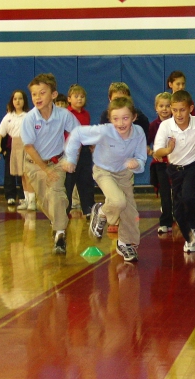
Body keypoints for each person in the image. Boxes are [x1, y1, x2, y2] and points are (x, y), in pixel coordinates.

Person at [65, 96, 147, 262]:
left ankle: (124, 243)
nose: (121, 123)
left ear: (134, 117)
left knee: (130, 212)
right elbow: (77, 134)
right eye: (116, 119)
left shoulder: (138, 133)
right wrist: (71, 158)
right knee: (118, 202)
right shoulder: (104, 131)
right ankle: (100, 211)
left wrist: (136, 163)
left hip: (124, 173)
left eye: (125, 118)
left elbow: (141, 159)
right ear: (110, 119)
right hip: (104, 171)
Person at [21, 73, 80, 255]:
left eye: (42, 93)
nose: (37, 98)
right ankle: (59, 222)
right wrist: (44, 169)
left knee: (56, 194)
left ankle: (60, 234)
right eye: (34, 94)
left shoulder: (63, 115)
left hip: (56, 162)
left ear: (54, 95)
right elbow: (29, 147)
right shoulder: (30, 119)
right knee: (43, 201)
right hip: (35, 165)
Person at [154, 90, 195, 253]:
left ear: (191, 108)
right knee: (178, 210)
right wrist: (167, 150)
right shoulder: (166, 126)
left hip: (194, 166)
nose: (178, 114)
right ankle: (189, 239)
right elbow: (157, 152)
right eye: (175, 110)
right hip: (175, 170)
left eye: (182, 110)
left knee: (188, 195)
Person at [100, 82, 151, 233]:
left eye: (124, 98)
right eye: (116, 99)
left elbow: (143, 137)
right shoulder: (106, 116)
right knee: (112, 194)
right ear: (110, 100)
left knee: (125, 194)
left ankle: (123, 222)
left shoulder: (139, 117)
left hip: (128, 163)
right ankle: (112, 219)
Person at [65, 83, 95, 217]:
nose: (79, 99)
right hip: (70, 152)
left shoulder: (86, 114)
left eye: (82, 96)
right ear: (69, 99)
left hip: (84, 152)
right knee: (68, 184)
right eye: (76, 96)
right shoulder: (65, 114)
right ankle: (64, 211)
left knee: (86, 181)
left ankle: (88, 209)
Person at [0, 90, 29, 207]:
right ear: (12, 101)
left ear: (24, 100)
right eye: (15, 99)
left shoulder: (29, 115)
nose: (17, 101)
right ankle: (10, 196)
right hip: (13, 147)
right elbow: (0, 133)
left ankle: (25, 197)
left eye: (20, 98)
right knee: (10, 173)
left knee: (24, 174)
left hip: (26, 147)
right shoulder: (8, 116)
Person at [148, 92, 174, 235]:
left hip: (176, 163)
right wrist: (153, 153)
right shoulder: (153, 126)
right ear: (156, 108)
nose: (165, 109)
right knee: (165, 193)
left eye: (168, 106)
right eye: (161, 106)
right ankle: (165, 222)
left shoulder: (177, 122)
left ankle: (180, 216)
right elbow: (145, 144)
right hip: (161, 164)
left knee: (178, 192)